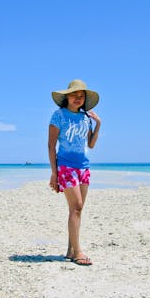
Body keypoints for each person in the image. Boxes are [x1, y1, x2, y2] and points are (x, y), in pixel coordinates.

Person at [48, 79, 101, 266]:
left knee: (77, 209)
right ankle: (78, 252)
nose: (77, 98)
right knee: (77, 206)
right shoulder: (58, 116)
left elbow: (91, 145)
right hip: (66, 167)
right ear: (67, 97)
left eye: (81, 96)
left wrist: (98, 124)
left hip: (84, 167)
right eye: (74, 95)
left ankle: (71, 250)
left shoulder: (86, 118)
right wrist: (54, 174)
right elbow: (51, 145)